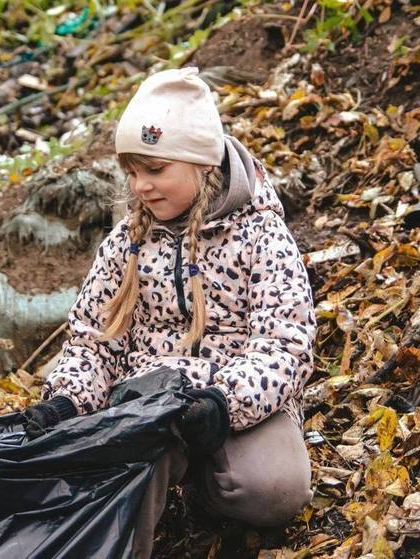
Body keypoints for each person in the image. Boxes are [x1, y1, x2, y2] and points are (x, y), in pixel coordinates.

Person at [23, 67, 317, 558]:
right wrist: (67, 400)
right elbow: (94, 341)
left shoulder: (261, 236)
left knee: (276, 491)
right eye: (132, 172)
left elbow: (285, 345)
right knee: (116, 471)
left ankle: (205, 488)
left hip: (233, 401)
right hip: (147, 399)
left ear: (201, 164)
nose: (140, 186)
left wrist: (221, 403)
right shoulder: (126, 243)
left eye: (155, 170)